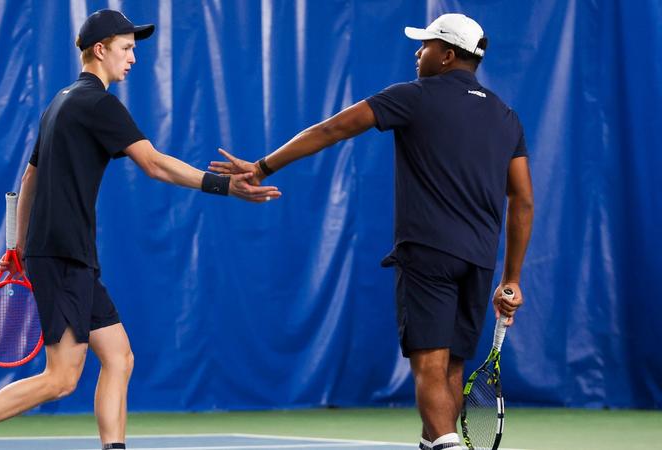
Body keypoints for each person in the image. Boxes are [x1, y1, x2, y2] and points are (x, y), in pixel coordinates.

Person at [0, 9, 281, 450]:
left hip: (66, 254)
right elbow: (155, 163)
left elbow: (29, 179)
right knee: (61, 378)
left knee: (119, 356)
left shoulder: (60, 102)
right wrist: (226, 186)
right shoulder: (97, 102)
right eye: (126, 49)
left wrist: (18, 246)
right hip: (64, 255)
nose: (133, 58)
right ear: (100, 49)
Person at [209, 13, 533, 450]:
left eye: (427, 45)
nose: (418, 53)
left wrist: (263, 165)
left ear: (447, 55)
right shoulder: (506, 116)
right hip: (478, 261)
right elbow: (524, 200)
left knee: (429, 366)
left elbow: (332, 129)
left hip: (428, 252)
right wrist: (510, 278)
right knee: (453, 367)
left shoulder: (413, 96)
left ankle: (447, 444)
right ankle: (435, 442)